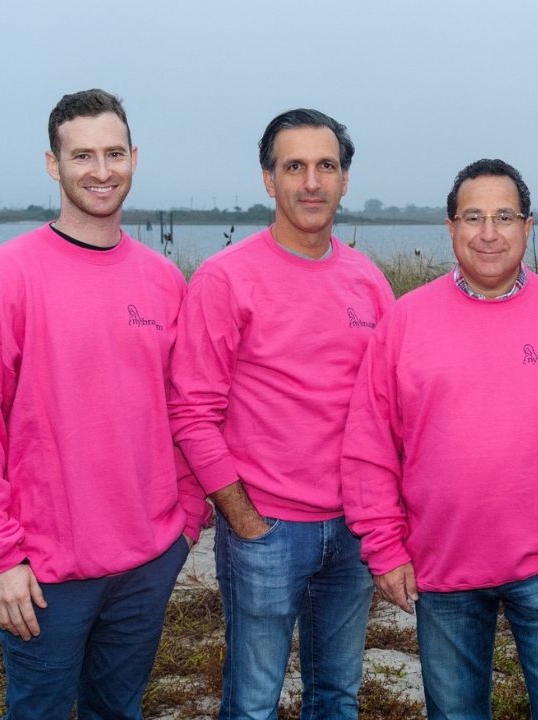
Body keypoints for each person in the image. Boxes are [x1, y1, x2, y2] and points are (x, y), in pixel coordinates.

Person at [0, 88, 209, 719]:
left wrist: (185, 518)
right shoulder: (5, 277)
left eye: (114, 153)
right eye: (82, 155)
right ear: (53, 165)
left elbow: (185, 410)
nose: (101, 170)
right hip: (45, 570)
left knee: (119, 711)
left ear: (135, 158)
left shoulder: (164, 281)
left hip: (146, 561)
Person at [341, 158, 538, 719]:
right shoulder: (405, 321)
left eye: (505, 216)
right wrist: (383, 546)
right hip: (443, 565)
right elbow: (369, 446)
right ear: (450, 228)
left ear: (529, 228)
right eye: (472, 216)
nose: (488, 232)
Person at [168, 108, 394, 720]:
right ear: (269, 180)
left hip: (352, 530)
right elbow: (191, 413)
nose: (312, 182)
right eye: (294, 166)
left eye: (326, 166)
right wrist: (243, 518)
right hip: (266, 529)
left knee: (338, 695)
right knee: (252, 702)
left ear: (345, 179)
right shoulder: (225, 279)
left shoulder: (369, 281)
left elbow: (388, 408)